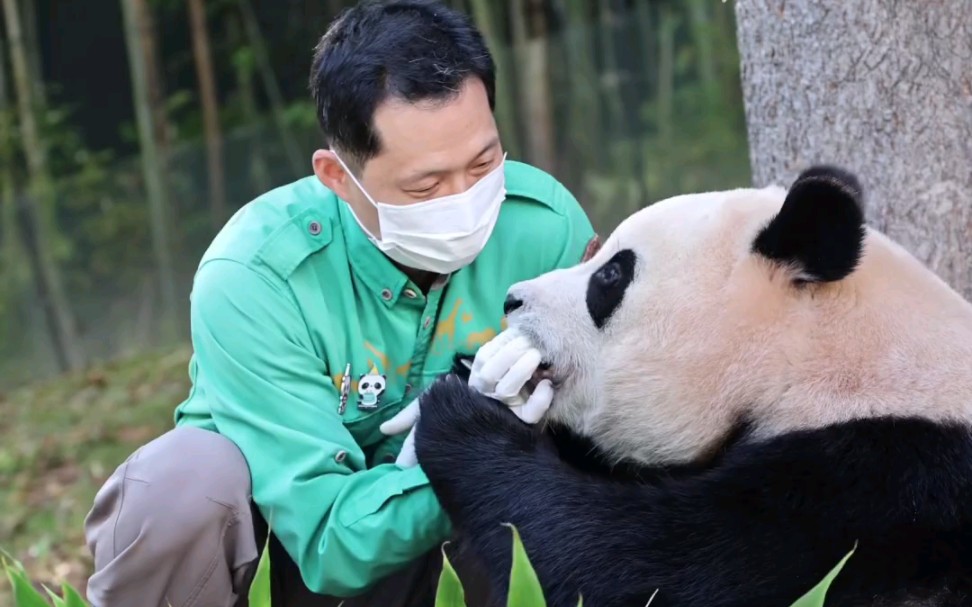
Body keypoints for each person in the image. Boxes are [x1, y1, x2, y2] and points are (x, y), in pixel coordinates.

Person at [82, 1, 598, 606]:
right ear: (335, 174)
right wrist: (466, 447)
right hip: (304, 564)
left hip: (466, 551)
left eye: (484, 162)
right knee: (182, 484)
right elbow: (330, 544)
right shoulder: (256, 279)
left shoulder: (544, 228)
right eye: (426, 185)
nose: (465, 199)